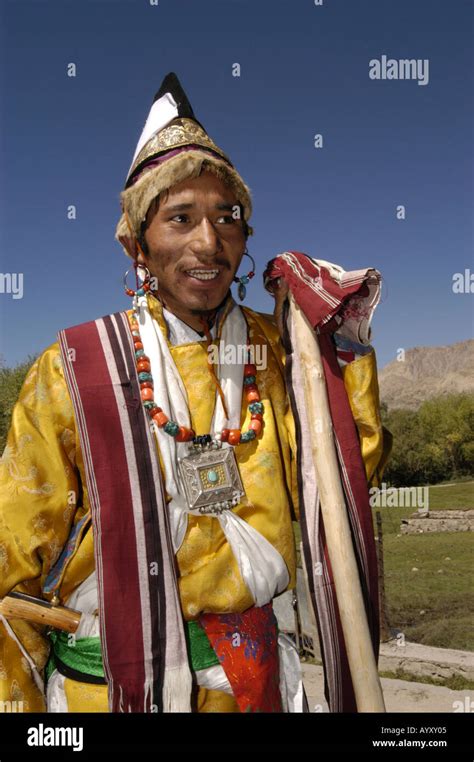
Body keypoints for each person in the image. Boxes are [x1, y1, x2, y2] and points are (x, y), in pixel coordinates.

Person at [0, 73, 390, 713]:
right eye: (180, 218)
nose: (209, 242)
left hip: (257, 688)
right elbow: (12, 562)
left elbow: (343, 485)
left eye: (227, 218)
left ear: (245, 239)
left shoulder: (285, 354)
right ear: (137, 245)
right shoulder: (74, 367)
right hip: (111, 692)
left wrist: (337, 343)